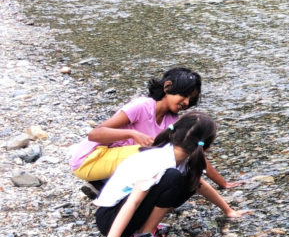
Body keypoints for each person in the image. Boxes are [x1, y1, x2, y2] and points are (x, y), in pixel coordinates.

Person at [92, 112, 249, 237]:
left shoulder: (184, 158)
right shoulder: (158, 160)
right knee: (172, 178)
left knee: (190, 181)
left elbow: (201, 186)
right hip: (109, 219)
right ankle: (143, 235)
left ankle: (143, 228)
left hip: (121, 214)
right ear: (206, 146)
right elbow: (133, 202)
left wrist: (228, 211)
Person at [70, 67, 240, 196]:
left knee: (173, 156)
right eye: (184, 95)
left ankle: (104, 184)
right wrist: (132, 134)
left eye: (191, 99)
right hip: (89, 160)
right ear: (167, 87)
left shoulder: (172, 121)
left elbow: (192, 153)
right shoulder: (142, 106)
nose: (187, 102)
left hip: (114, 162)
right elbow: (95, 134)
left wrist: (222, 183)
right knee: (155, 153)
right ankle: (111, 191)